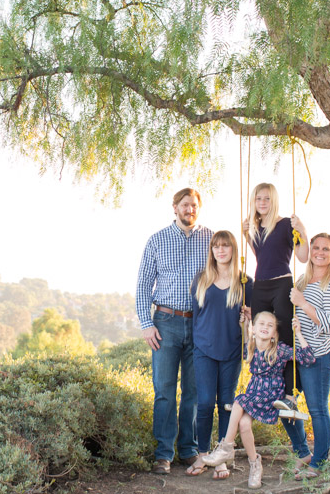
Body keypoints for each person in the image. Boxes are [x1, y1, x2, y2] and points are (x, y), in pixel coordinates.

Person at [136, 188, 214, 475]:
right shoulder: (157, 240)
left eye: (194, 205)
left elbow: (227, 275)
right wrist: (146, 324)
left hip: (200, 323)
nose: (189, 209)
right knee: (165, 391)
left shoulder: (210, 239)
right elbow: (143, 285)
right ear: (175, 208)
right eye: (185, 205)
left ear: (198, 208)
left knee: (194, 390)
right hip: (165, 323)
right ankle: (164, 454)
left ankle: (189, 451)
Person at [201, 310, 315, 489]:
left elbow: (308, 358)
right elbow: (247, 337)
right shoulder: (251, 348)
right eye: (261, 324)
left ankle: (226, 447)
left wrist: (298, 333)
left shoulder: (279, 350)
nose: (265, 328)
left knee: (239, 402)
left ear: (274, 334)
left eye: (270, 326)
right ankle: (255, 465)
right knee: (244, 425)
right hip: (254, 395)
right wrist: (246, 325)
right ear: (254, 329)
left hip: (270, 397)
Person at [241, 182, 309, 458]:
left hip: (282, 284)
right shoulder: (254, 228)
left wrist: (302, 230)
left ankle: (291, 393)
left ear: (274, 200)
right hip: (261, 286)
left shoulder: (285, 225)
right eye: (258, 198)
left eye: (267, 198)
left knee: (284, 340)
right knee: (261, 339)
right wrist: (247, 234)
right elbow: (261, 258)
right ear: (254, 200)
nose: (263, 201)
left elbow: (303, 257)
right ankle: (262, 384)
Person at [185, 230, 252, 480]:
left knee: (225, 405)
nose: (220, 250)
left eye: (225, 246)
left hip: (231, 351)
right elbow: (196, 317)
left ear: (233, 249)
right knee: (203, 404)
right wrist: (196, 346)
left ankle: (220, 457)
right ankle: (203, 454)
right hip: (203, 350)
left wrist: (248, 318)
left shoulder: (245, 282)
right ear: (211, 251)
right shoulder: (201, 279)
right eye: (216, 246)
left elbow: (250, 322)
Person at [288, 233, 330, 480]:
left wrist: (302, 303)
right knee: (284, 402)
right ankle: (303, 451)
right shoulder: (302, 279)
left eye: (326, 249)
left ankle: (320, 461)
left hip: (320, 354)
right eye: (316, 247)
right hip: (299, 352)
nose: (320, 252)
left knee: (317, 409)